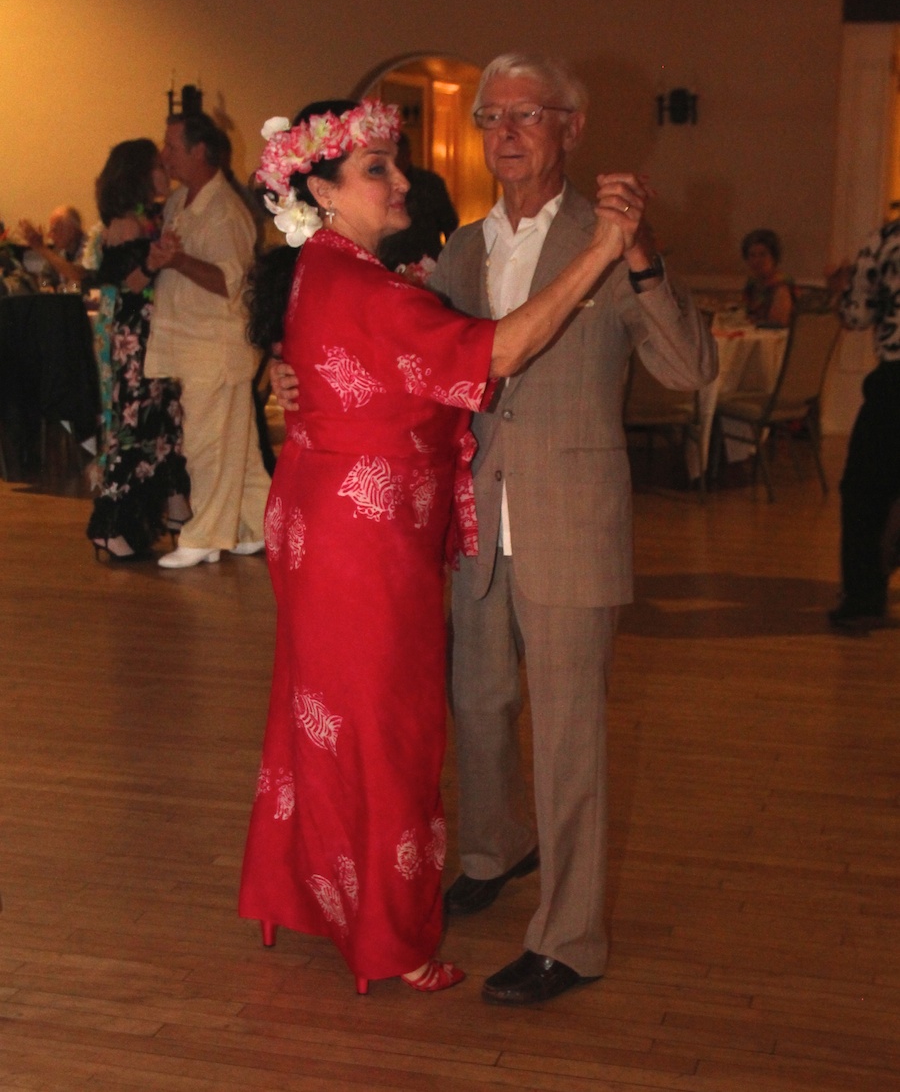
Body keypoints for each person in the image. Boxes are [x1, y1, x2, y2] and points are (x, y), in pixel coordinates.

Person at [238, 96, 642, 997]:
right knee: (386, 731)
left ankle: (316, 893)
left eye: (394, 162)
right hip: (364, 536)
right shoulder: (363, 286)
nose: (401, 179)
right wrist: (600, 254)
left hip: (323, 517)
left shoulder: (321, 271)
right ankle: (390, 937)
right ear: (322, 190)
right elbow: (496, 353)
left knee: (326, 718)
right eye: (375, 168)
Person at [431, 53, 716, 1005]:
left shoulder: (611, 238)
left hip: (570, 522)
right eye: (490, 116)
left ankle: (571, 938)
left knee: (567, 738)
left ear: (573, 129)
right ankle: (491, 847)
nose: (505, 131)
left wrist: (642, 257)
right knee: (477, 708)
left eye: (528, 114)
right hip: (478, 523)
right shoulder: (458, 252)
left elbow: (687, 369)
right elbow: (415, 371)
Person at [144, 112, 271, 568]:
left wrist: (177, 262)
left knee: (206, 444)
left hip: (216, 345)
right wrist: (166, 259)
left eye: (172, 146)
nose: (165, 154)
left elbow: (227, 281)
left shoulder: (226, 211)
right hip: (191, 339)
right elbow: (180, 260)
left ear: (201, 151)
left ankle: (203, 536)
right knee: (240, 449)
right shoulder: (180, 200)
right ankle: (261, 525)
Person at [86, 139, 191, 561]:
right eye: (156, 165)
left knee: (165, 420)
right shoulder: (125, 224)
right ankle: (109, 525)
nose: (164, 169)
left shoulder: (144, 219)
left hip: (149, 335)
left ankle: (176, 506)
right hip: (134, 340)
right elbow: (127, 283)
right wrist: (157, 261)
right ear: (138, 173)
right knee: (134, 427)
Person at [826, 216, 900, 630]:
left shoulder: (889, 238)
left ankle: (864, 595)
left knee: (864, 492)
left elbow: (857, 314)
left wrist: (842, 288)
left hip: (896, 383)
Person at [377, 132, 459, 270]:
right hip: (388, 263)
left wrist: (451, 264)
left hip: (427, 265)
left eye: (401, 155)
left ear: (408, 155)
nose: (398, 162)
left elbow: (450, 226)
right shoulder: (378, 184)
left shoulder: (430, 183)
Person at [17, 205, 88, 290]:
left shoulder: (91, 248)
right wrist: (46, 285)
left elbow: (78, 274)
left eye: (54, 230)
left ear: (71, 231)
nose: (50, 235)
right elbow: (43, 278)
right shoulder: (58, 251)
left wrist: (41, 248)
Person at [741, 228, 794, 327]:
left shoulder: (780, 285)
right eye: (752, 255)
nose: (757, 261)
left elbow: (778, 323)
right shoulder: (753, 283)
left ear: (774, 257)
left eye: (763, 254)